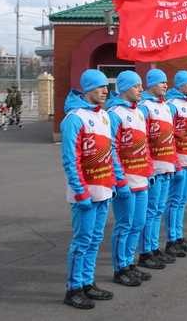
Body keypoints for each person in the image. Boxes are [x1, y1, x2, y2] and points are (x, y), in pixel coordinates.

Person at [61, 69, 118, 309]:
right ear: (87, 89)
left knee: (95, 239)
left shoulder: (103, 115)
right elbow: (70, 159)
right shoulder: (75, 118)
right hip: (84, 193)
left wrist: (113, 181)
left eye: (107, 86)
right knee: (82, 240)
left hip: (103, 189)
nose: (106, 91)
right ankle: (73, 289)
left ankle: (87, 282)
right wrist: (80, 191)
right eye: (101, 87)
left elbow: (109, 152)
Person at [107, 70, 155, 286]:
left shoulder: (138, 112)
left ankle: (129, 262)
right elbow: (112, 148)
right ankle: (120, 269)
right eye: (137, 86)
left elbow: (145, 146)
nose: (141, 89)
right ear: (125, 88)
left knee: (138, 223)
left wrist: (149, 170)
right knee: (124, 224)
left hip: (141, 179)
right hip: (126, 181)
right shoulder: (115, 113)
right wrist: (120, 180)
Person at [137, 69, 178, 269]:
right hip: (153, 169)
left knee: (157, 210)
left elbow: (171, 138)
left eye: (166, 82)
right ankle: (145, 252)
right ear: (151, 83)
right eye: (162, 82)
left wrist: (174, 161)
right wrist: (149, 168)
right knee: (150, 210)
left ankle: (153, 247)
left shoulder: (166, 107)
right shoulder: (145, 107)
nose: (166, 85)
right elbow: (142, 141)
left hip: (166, 166)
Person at [164, 70, 187, 257]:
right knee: (173, 201)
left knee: (181, 201)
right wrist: (176, 162)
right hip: (178, 162)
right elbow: (169, 137)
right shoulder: (172, 106)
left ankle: (178, 237)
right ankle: (171, 240)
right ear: (179, 85)